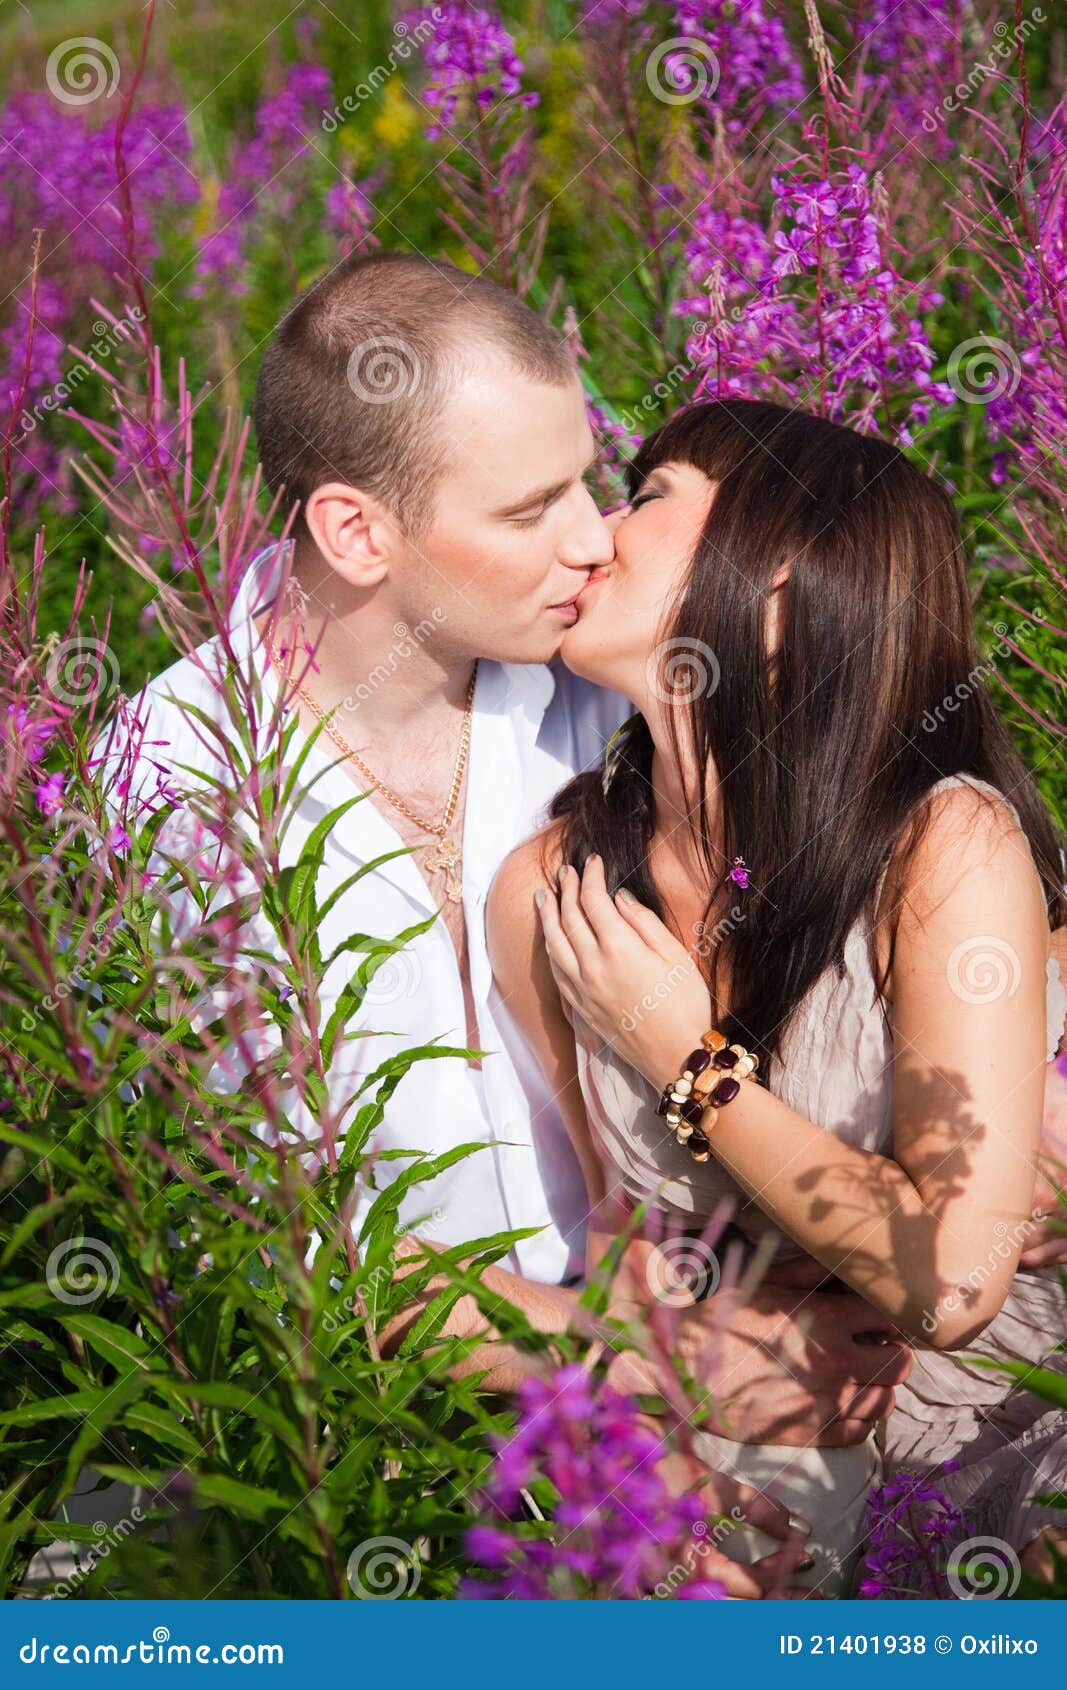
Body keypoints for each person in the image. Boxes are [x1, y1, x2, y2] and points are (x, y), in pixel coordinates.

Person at [107, 255, 1062, 1598]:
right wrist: (642, 1380)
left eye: (603, 484)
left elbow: (876, 793)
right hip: (441, 1433)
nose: (590, 536)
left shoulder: (596, 682)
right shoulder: (175, 792)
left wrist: (1021, 1107)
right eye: (529, 507)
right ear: (356, 533)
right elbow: (263, 1244)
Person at [487, 395, 1067, 1596]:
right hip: (742, 1453)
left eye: (646, 496)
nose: (593, 532)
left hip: (982, 1439)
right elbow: (624, 1247)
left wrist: (684, 1057)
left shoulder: (939, 847)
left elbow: (952, 1280)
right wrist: (645, 1467)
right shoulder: (549, 890)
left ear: (778, 579)